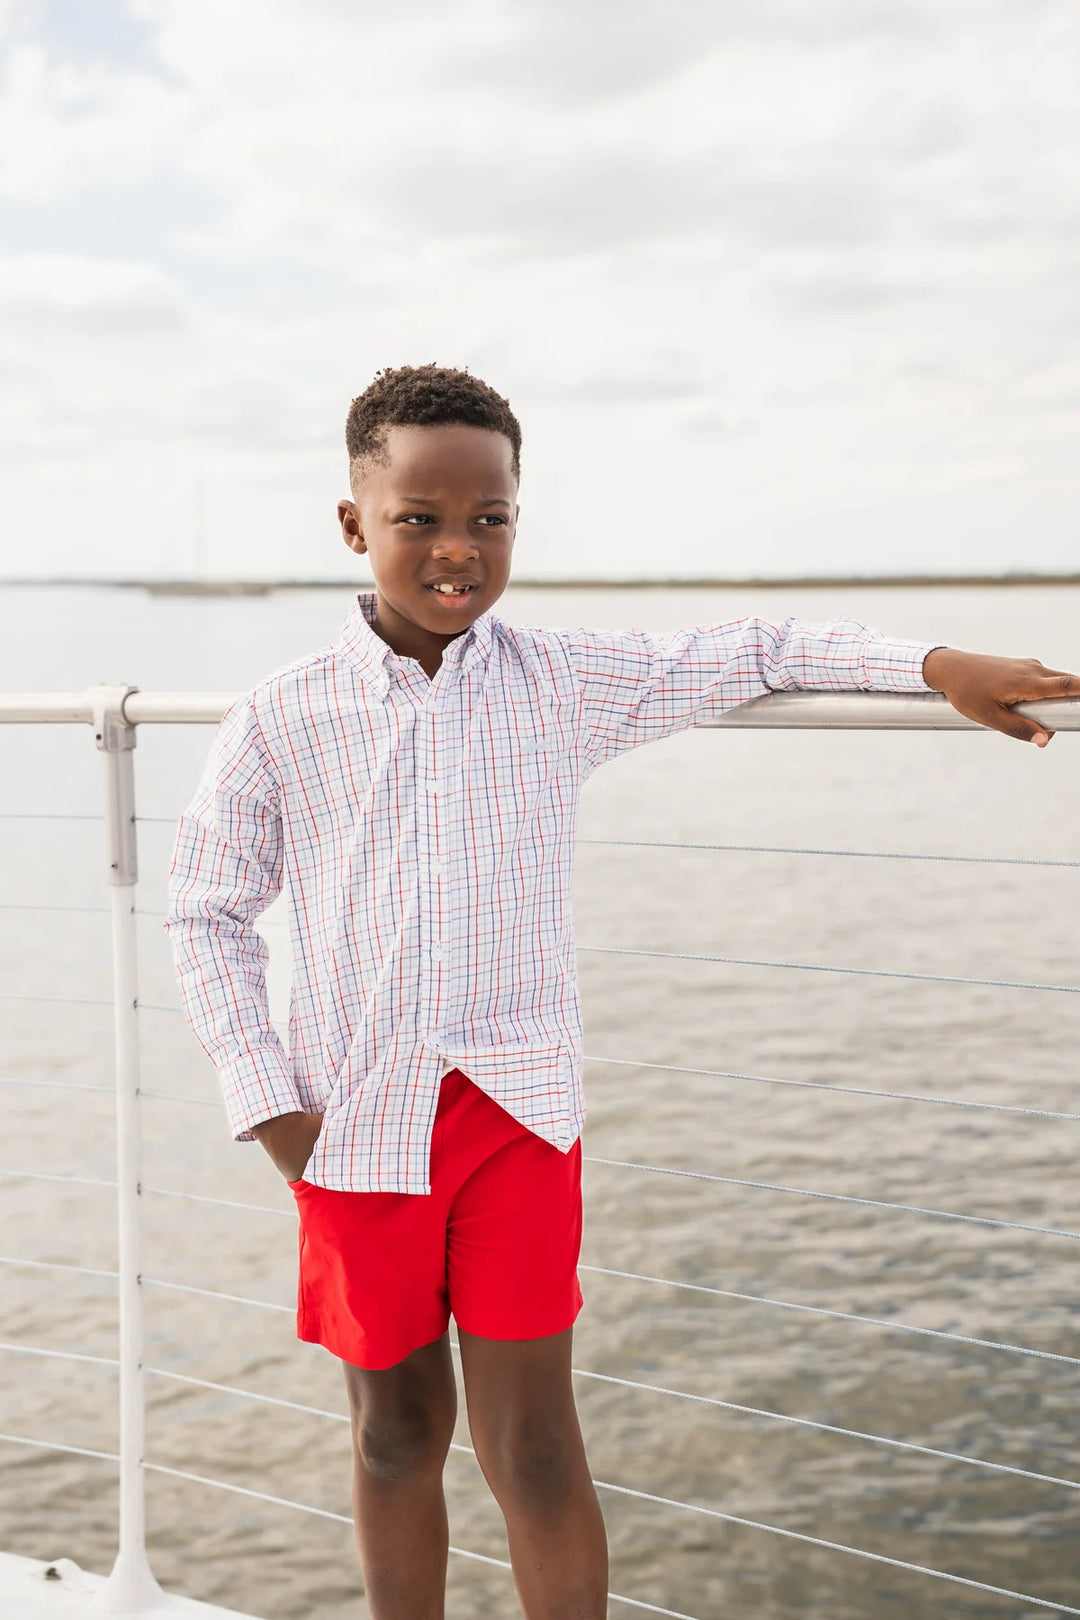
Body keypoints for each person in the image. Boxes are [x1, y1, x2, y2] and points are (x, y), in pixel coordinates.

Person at [164, 363, 1075, 1620]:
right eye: (419, 517)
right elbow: (207, 914)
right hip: (348, 1126)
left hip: (518, 1120)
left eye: (490, 519)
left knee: (535, 1442)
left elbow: (756, 644)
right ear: (352, 523)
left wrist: (930, 662)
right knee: (391, 1432)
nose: (456, 551)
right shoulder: (279, 719)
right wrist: (273, 1111)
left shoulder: (559, 684)